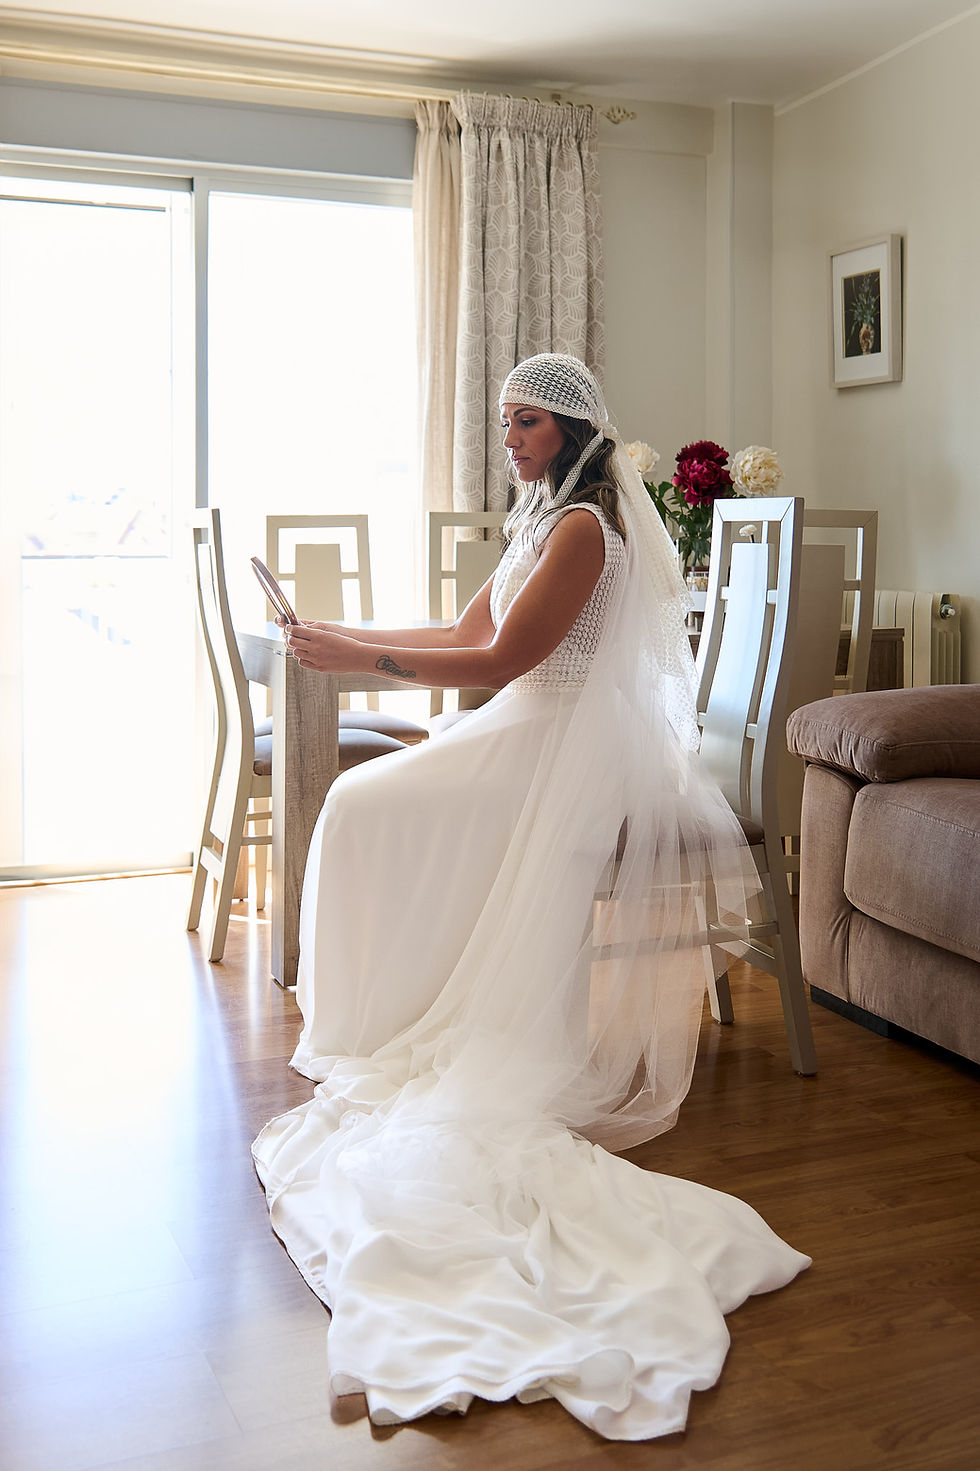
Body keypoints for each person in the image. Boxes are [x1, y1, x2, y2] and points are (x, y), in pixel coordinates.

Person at [252, 354, 809, 1442]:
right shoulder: (538, 519)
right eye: (504, 421)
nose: (507, 439)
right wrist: (342, 641)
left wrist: (354, 654)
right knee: (367, 803)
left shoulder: (586, 531)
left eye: (523, 423)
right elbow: (464, 634)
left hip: (553, 751)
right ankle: (394, 1012)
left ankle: (389, 1014)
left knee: (361, 803)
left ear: (569, 430)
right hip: (516, 733)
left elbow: (503, 662)